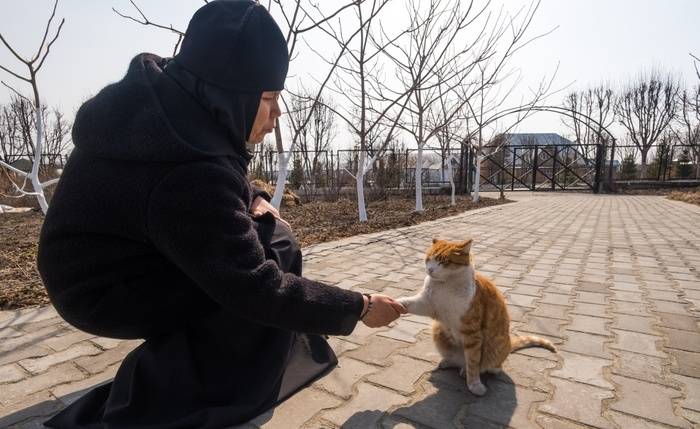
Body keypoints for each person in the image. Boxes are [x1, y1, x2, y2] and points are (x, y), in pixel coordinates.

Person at [36, 1, 405, 427]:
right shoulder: (187, 173)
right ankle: (189, 388)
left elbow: (209, 172)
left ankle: (223, 359)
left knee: (271, 237)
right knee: (264, 260)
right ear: (231, 95)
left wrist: (255, 194)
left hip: (108, 261)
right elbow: (255, 286)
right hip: (101, 291)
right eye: (268, 98)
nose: (277, 115)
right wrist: (356, 307)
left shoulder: (167, 107)